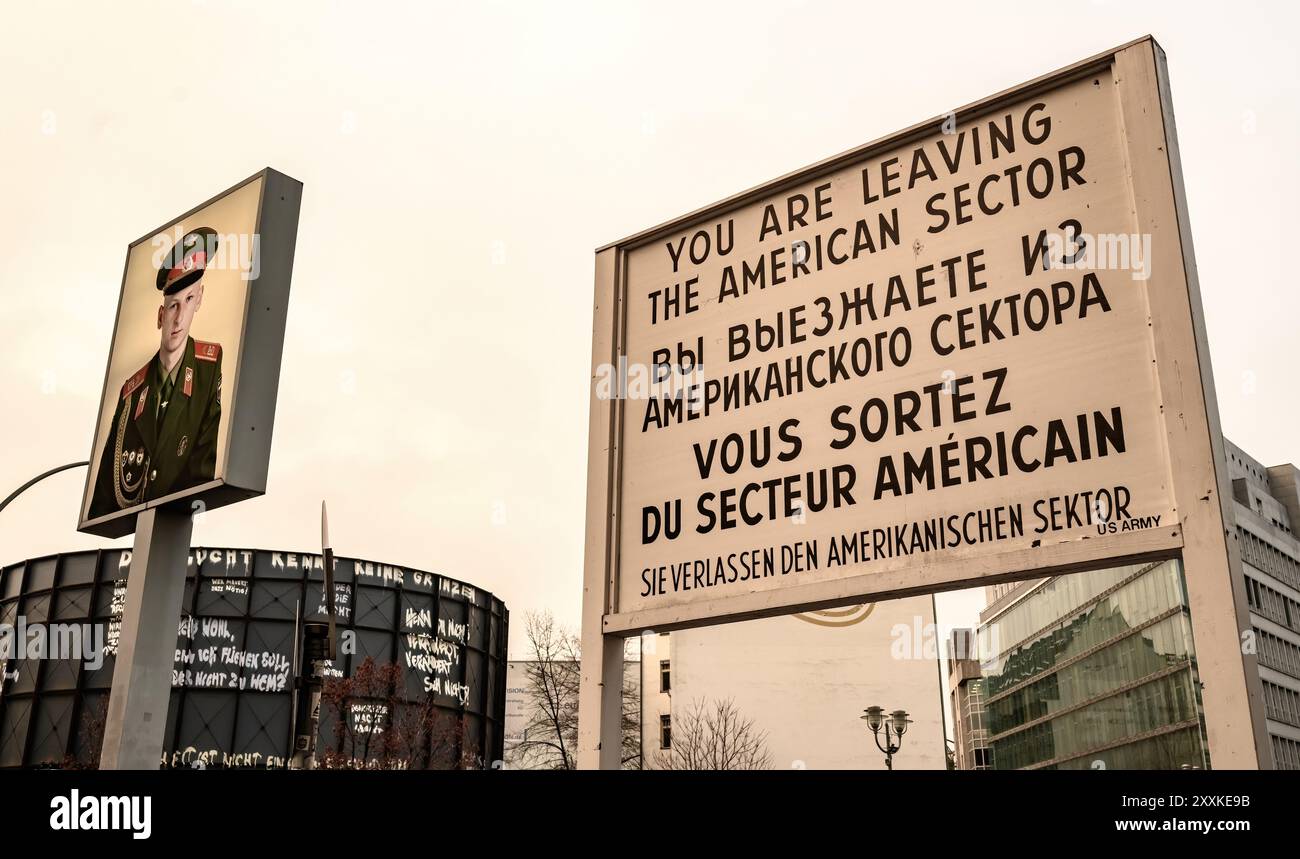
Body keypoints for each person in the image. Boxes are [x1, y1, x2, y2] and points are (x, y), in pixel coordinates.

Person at [90, 227, 223, 519]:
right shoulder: (131, 392)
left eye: (188, 301)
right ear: (160, 315)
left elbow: (201, 474)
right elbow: (103, 499)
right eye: (172, 305)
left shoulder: (208, 367)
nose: (178, 318)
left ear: (199, 299)